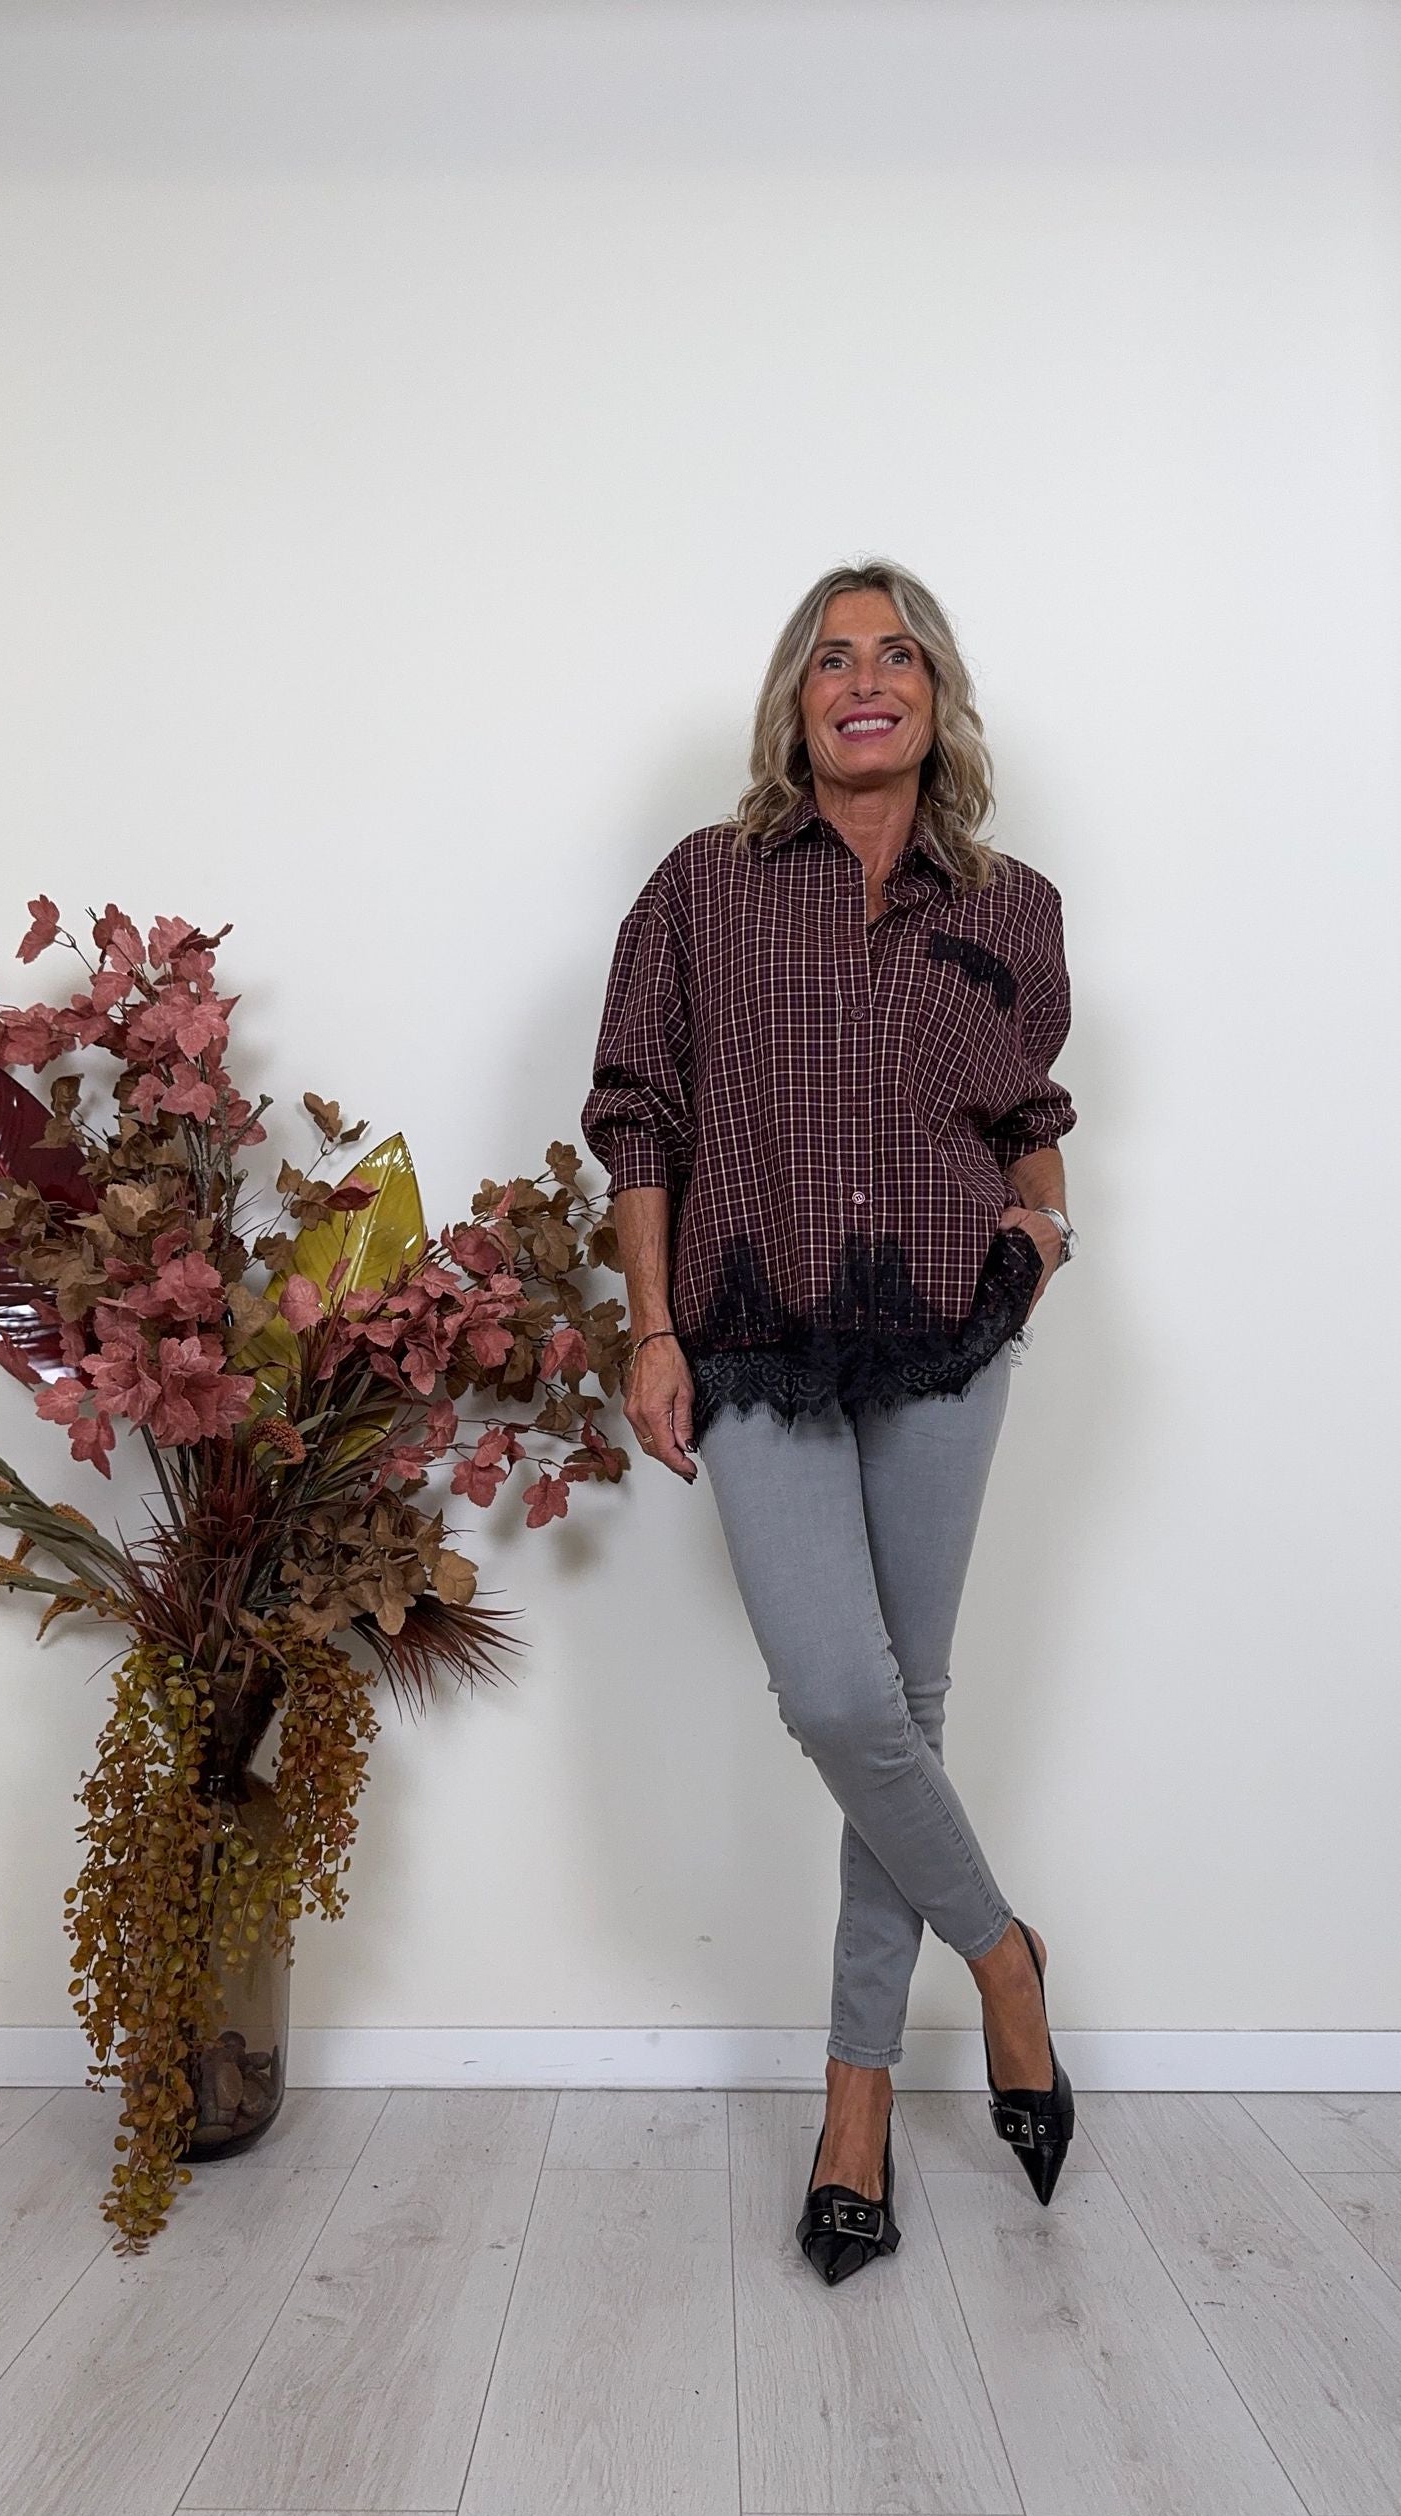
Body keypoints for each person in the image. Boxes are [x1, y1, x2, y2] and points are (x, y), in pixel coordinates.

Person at [581, 557, 1078, 2286]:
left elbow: (1027, 1112)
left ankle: (854, 2095)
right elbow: (639, 1112)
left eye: (900, 656)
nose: (868, 681)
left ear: (938, 699)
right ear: (795, 701)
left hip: (947, 1331)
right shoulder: (704, 886)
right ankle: (1004, 1959)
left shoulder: (1012, 905)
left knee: (907, 1710)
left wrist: (1044, 1231)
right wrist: (652, 1326)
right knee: (843, 1701)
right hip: (753, 1332)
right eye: (834, 658)